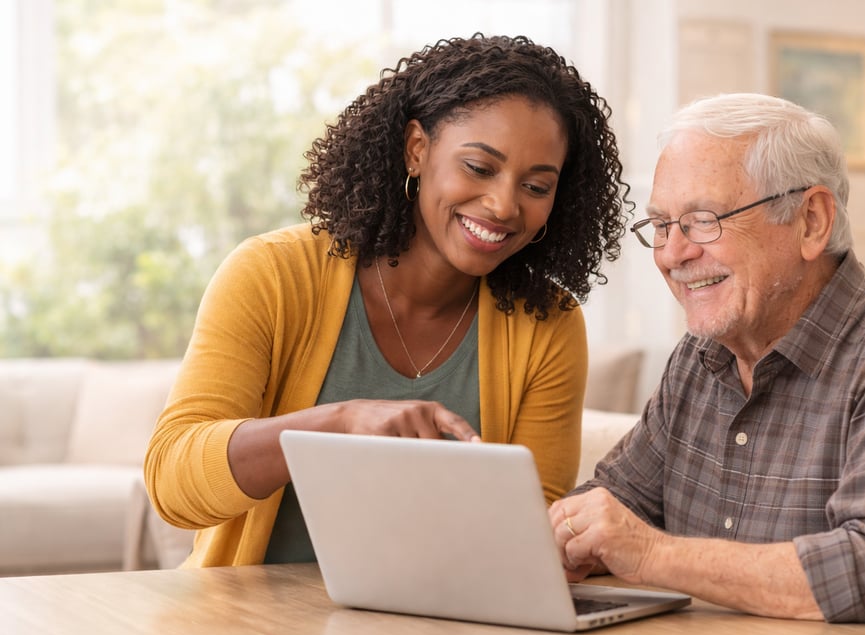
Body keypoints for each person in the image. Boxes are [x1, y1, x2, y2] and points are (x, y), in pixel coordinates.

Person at [548, 92, 865, 635]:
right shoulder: (700, 358)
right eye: (660, 225)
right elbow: (612, 509)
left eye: (703, 220)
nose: (671, 254)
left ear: (810, 221)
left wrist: (651, 554)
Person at [145, 34, 629, 567]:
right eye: (479, 167)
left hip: (440, 633)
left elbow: (530, 532)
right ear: (417, 149)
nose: (503, 204)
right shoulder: (272, 275)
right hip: (249, 627)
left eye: (536, 187)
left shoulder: (546, 322)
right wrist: (338, 425)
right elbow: (174, 481)